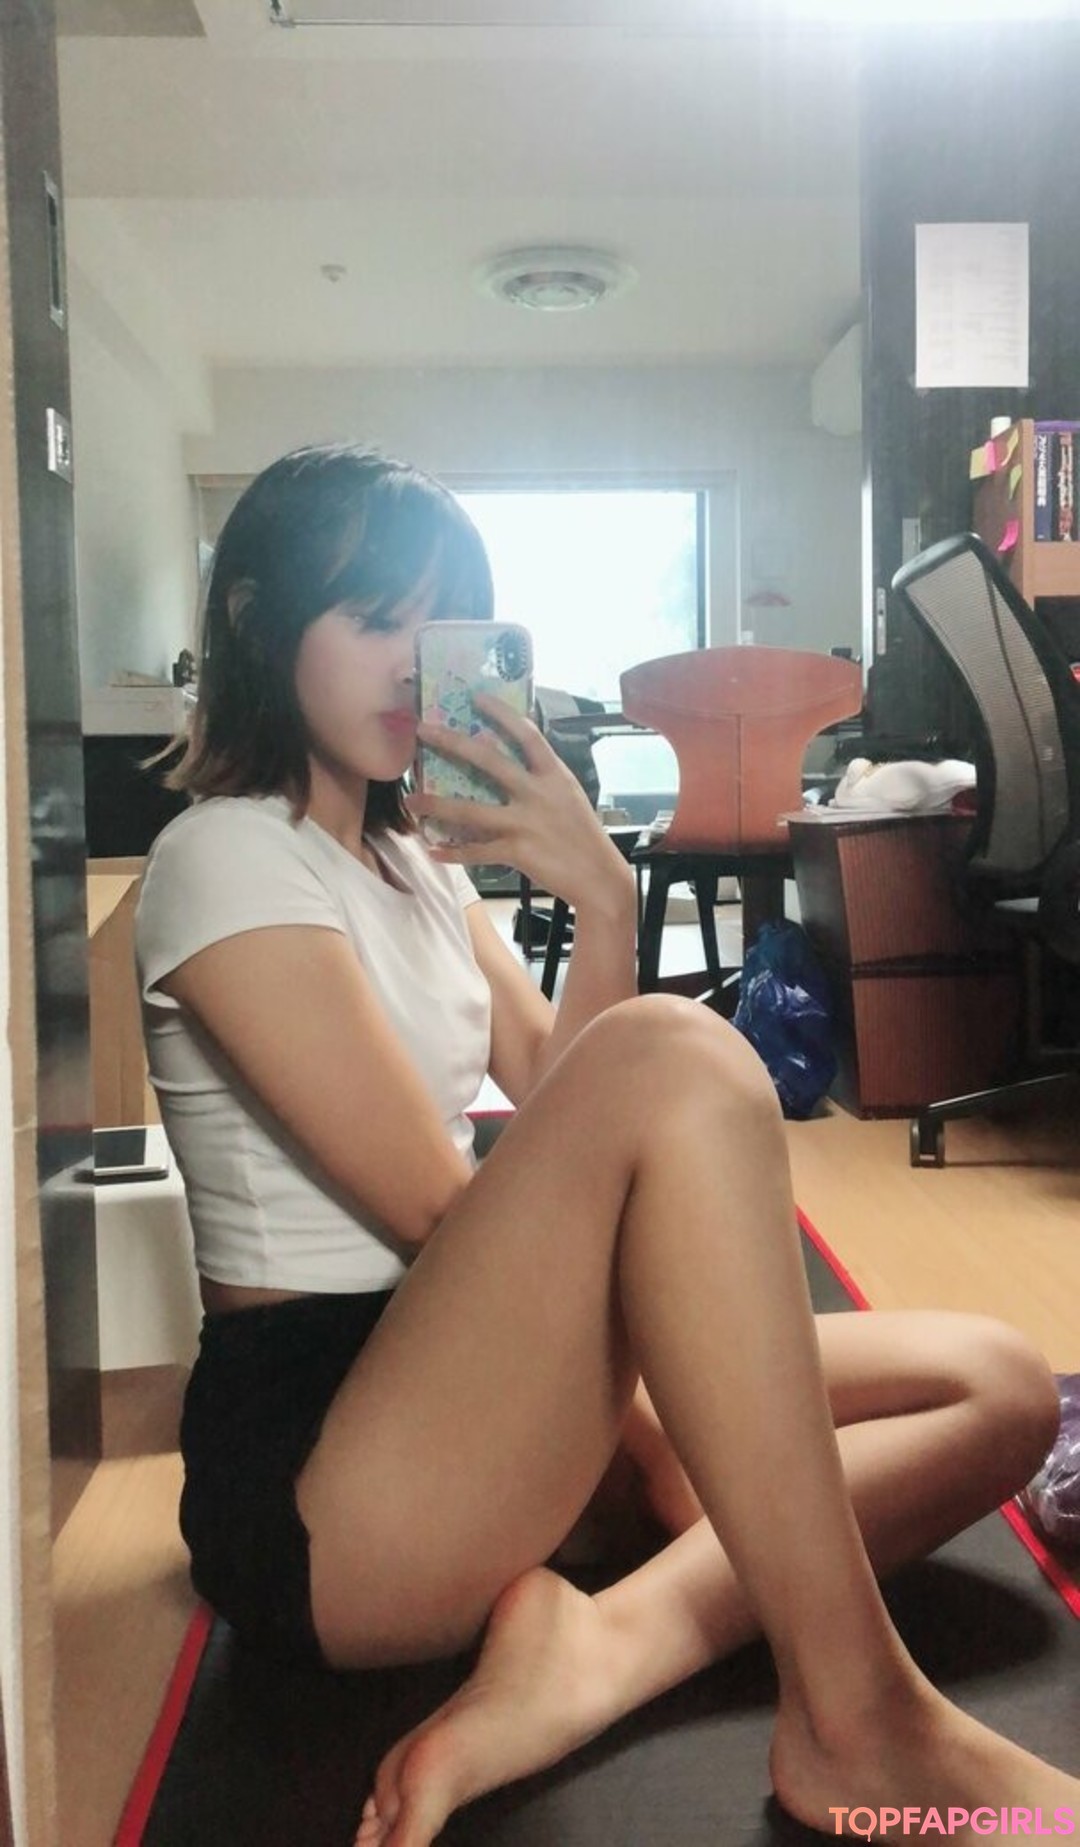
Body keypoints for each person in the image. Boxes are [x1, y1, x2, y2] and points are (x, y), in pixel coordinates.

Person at [135, 443, 1075, 1847]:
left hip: (478, 1388)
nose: (410, 664)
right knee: (676, 1053)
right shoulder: (220, 854)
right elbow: (455, 1211)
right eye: (374, 618)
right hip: (331, 1489)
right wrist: (654, 1411)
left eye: (440, 625)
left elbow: (560, 1096)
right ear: (261, 620)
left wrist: (600, 896)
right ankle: (859, 1715)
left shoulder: (416, 872)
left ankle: (609, 1647)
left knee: (997, 1387)